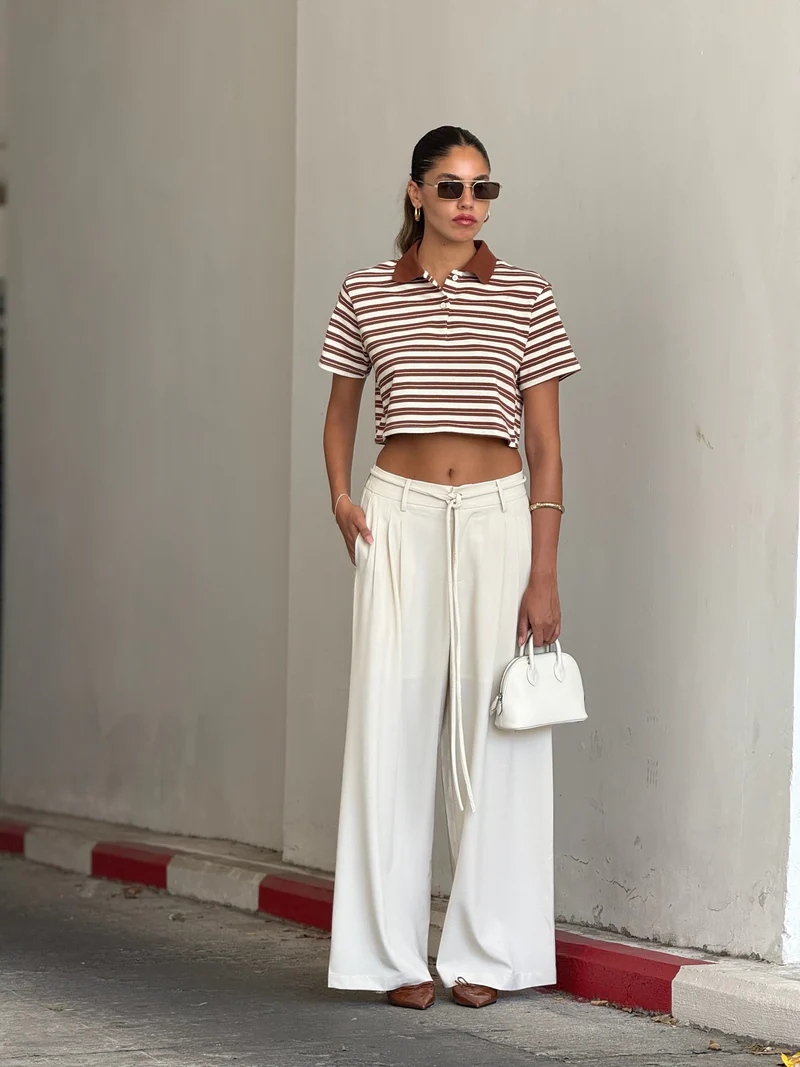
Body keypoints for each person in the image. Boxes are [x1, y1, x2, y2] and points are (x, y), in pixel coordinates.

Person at [319, 126, 580, 1010]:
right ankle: (390, 956)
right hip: (396, 514)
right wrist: (340, 498)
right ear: (415, 193)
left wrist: (543, 570)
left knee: (495, 736)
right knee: (388, 727)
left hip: (500, 518)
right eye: (452, 186)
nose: (470, 203)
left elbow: (546, 446)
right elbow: (340, 414)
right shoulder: (365, 291)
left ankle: (485, 953)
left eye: (483, 188)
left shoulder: (528, 295)